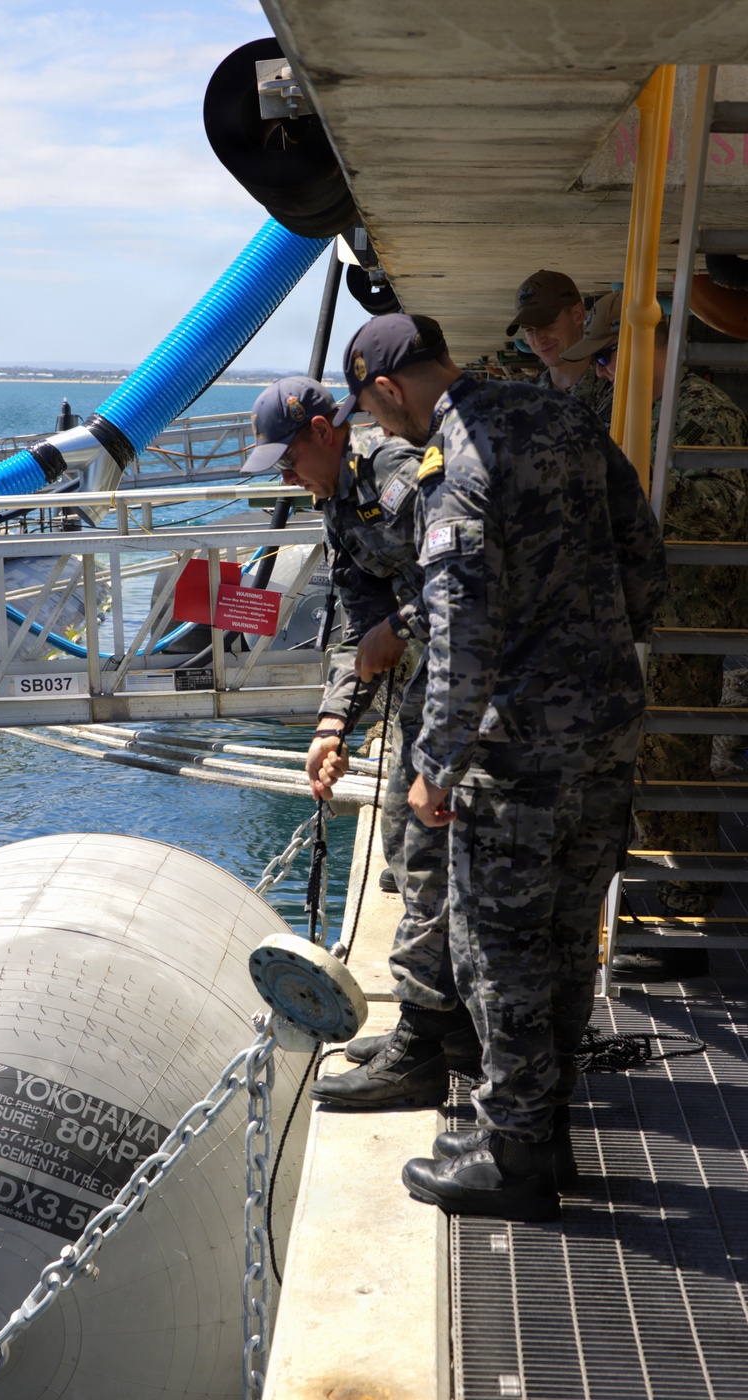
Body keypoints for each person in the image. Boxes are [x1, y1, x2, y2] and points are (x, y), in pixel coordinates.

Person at [334, 312, 667, 1220]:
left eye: (371, 406)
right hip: (606, 725)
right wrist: (604, 650)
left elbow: (461, 629)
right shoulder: (563, 418)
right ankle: (538, 1132)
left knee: (501, 950)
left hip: (517, 748)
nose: (378, 427)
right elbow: (643, 552)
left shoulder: (454, 463)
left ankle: (517, 1161)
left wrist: (435, 764)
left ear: (389, 388)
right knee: (566, 936)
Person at [241, 373, 482, 1109]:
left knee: (425, 850)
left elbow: (461, 577)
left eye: (288, 459)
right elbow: (358, 625)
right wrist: (331, 726)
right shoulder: (339, 504)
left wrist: (397, 632)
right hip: (426, 678)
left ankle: (421, 1047)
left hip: (472, 682)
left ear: (325, 432)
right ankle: (446, 1031)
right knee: (408, 848)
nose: (285, 476)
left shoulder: (400, 477)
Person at [565, 299, 748, 959]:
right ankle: (665, 885)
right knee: (648, 755)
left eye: (611, 359)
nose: (606, 374)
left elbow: (710, 519)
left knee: (674, 754)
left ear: (649, 348)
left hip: (684, 616)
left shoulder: (703, 414)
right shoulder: (651, 410)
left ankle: (687, 908)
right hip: (649, 611)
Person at [508, 268, 612, 417]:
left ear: (578, 315)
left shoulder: (616, 389)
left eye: (546, 325)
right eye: (529, 330)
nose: (538, 340)